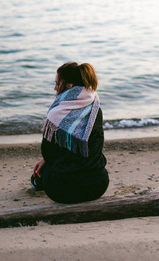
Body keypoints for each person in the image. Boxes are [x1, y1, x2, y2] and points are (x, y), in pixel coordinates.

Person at [31, 62, 109, 204]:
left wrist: (45, 161)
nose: (55, 88)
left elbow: (48, 154)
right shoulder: (95, 108)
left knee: (45, 169)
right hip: (98, 185)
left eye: (57, 83)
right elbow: (95, 144)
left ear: (69, 86)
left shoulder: (56, 114)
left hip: (62, 191)